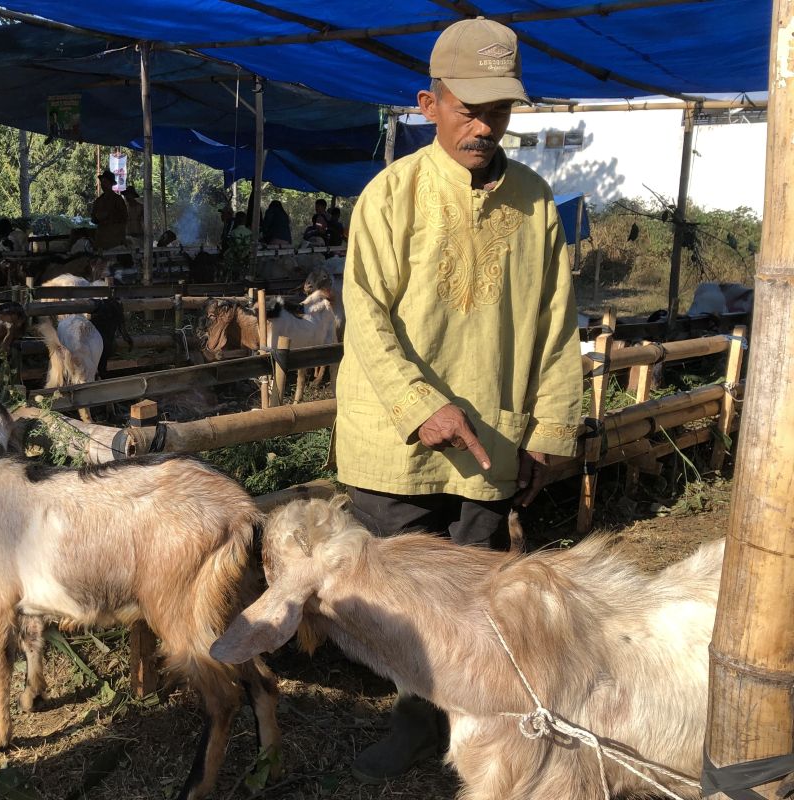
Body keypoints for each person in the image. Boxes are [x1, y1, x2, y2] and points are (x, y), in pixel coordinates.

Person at [337, 16, 583, 783]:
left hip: (491, 440)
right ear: (428, 102)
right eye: (466, 107)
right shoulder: (390, 197)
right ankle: (412, 718)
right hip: (396, 444)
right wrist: (421, 405)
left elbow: (554, 323)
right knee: (404, 600)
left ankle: (468, 725)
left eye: (498, 110)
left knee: (477, 597)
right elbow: (366, 318)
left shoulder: (537, 203)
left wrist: (550, 428)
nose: (483, 125)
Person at [90, 169, 127, 251]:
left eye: (105, 182)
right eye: (102, 182)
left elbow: (124, 217)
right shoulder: (98, 201)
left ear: (111, 184)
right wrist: (96, 218)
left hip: (115, 240)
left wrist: (109, 215)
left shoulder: (117, 199)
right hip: (101, 240)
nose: (103, 185)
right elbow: (93, 219)